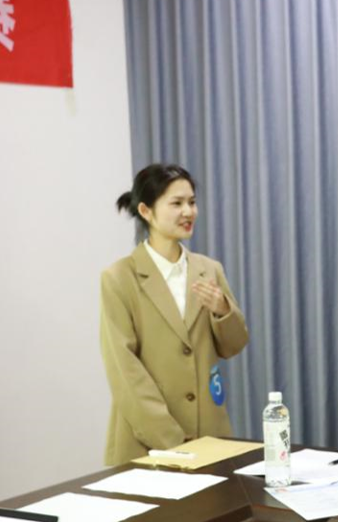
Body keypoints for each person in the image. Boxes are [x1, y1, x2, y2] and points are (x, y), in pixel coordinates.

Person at [100, 164, 248, 465]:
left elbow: (233, 346)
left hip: (210, 436)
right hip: (147, 442)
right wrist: (172, 441)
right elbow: (124, 370)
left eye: (192, 202)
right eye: (177, 203)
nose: (189, 212)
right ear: (146, 211)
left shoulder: (209, 269)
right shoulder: (119, 277)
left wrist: (223, 310)